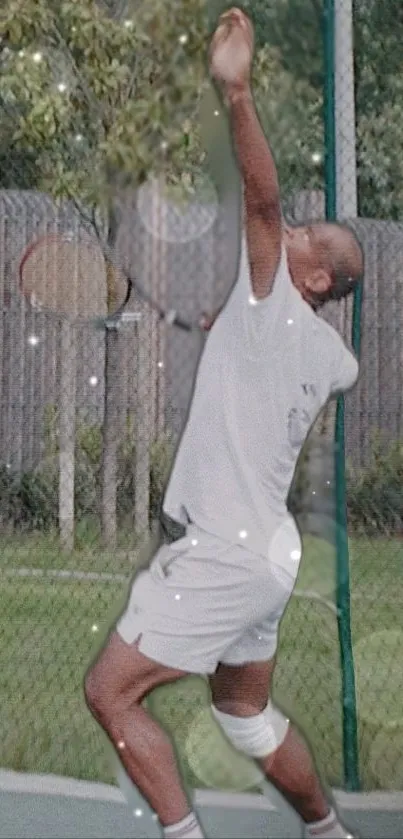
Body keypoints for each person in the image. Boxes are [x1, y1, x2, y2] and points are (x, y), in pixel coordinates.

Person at [85, 9, 362, 839]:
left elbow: (262, 197)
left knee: (110, 690)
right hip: (269, 557)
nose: (285, 233)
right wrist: (239, 328)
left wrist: (234, 93)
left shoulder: (274, 301)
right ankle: (327, 831)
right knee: (244, 715)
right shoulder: (322, 352)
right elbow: (270, 346)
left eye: (303, 238)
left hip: (222, 549)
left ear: (311, 275)